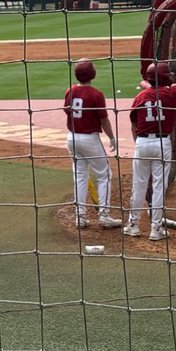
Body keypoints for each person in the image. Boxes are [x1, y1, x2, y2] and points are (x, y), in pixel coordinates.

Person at [124, 61, 176, 242]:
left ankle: (133, 225)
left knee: (139, 185)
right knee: (159, 187)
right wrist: (172, 86)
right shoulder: (172, 93)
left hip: (142, 142)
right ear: (167, 78)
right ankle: (156, 229)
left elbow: (134, 124)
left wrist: (139, 144)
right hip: (162, 143)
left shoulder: (141, 96)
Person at [63, 58, 119, 229]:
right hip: (90, 140)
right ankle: (104, 215)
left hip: (72, 139)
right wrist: (112, 137)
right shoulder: (96, 94)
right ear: (92, 74)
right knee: (104, 174)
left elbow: (67, 111)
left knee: (80, 176)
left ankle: (80, 217)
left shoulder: (70, 91)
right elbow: (104, 120)